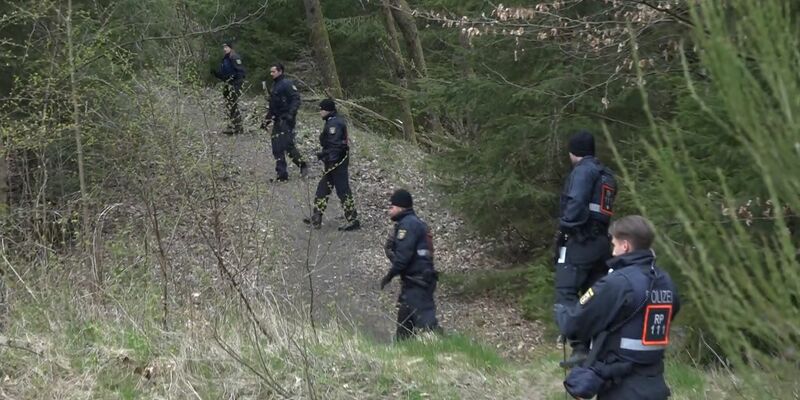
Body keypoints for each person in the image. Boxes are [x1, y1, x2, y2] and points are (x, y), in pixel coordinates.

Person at [554, 215, 680, 400]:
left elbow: (576, 323)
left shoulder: (618, 283)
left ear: (625, 246)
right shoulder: (665, 281)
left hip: (621, 386)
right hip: (655, 385)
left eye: (614, 245)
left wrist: (562, 311)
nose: (612, 252)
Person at [554, 130, 617, 367]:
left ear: (573, 152)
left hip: (581, 241)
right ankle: (600, 346)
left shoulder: (582, 171)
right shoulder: (607, 175)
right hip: (602, 243)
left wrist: (565, 228)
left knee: (566, 292)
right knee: (595, 294)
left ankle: (579, 346)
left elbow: (576, 203)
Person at [380, 189, 440, 340]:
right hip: (417, 281)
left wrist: (390, 275)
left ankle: (449, 349)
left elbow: (403, 256)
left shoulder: (408, 225)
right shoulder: (415, 223)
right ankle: (403, 354)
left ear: (401, 207)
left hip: (417, 282)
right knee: (405, 326)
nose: (389, 210)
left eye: (392, 206)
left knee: (427, 325)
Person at [303, 99, 360, 231]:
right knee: (323, 189)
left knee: (343, 190)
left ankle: (353, 219)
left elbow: (336, 146)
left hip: (337, 162)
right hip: (333, 161)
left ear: (327, 110)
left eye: (321, 109)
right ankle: (317, 217)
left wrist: (326, 157)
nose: (320, 111)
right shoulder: (332, 121)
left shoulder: (334, 124)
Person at [263, 63, 307, 182]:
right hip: (278, 120)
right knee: (277, 147)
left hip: (286, 120)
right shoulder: (275, 86)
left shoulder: (287, 84)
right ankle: (282, 174)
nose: (271, 74)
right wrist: (266, 121)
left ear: (280, 71)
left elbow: (296, 99)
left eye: (273, 71)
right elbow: (272, 107)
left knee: (288, 145)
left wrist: (290, 114)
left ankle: (302, 164)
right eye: (271, 72)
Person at [211, 42, 245, 135]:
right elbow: (224, 74)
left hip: (235, 84)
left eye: (226, 47)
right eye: (224, 47)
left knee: (233, 104)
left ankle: (238, 127)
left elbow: (240, 72)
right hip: (227, 83)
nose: (225, 49)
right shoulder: (225, 59)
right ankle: (232, 125)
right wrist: (216, 73)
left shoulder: (234, 57)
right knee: (228, 104)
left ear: (231, 48)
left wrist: (235, 81)